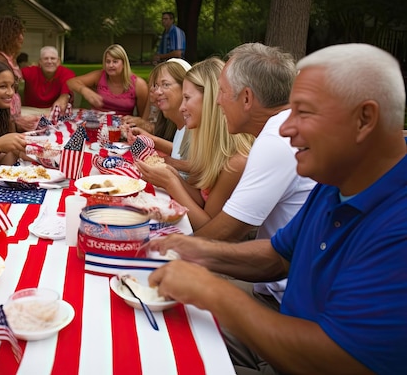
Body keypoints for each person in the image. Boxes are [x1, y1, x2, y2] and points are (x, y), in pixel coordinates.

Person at [148, 43, 407, 375]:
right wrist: (194, 250)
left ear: (364, 119)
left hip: (299, 355)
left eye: (303, 112)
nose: (285, 128)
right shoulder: (336, 179)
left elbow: (333, 360)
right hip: (279, 320)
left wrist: (214, 293)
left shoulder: (397, 225)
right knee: (159, 325)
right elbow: (277, 256)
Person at [148, 43, 316, 306]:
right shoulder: (278, 130)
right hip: (273, 282)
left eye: (223, 92)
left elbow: (225, 232)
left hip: (282, 298)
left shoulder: (276, 139)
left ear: (246, 98)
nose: (217, 101)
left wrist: (162, 251)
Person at [136, 58, 254, 230]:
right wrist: (171, 174)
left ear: (210, 100)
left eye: (187, 98)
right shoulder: (211, 147)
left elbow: (207, 227)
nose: (182, 107)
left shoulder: (235, 162)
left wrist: (171, 183)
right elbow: (200, 198)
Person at [127, 59, 191, 171]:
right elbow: (179, 151)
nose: (156, 92)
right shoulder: (180, 126)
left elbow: (201, 169)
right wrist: (150, 138)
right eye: (156, 86)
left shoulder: (194, 126)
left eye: (166, 85)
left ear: (185, 87)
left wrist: (168, 162)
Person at [0, 15, 38, 131]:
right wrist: (11, 125)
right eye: (18, 33)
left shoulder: (8, 58)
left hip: (11, 116)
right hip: (4, 117)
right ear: (7, 36)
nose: (22, 37)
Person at [67, 44, 149, 117]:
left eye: (115, 62)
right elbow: (71, 82)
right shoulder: (99, 76)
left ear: (124, 64)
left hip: (122, 127)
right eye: (108, 61)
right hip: (96, 123)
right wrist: (85, 91)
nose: (110, 65)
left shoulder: (139, 84)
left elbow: (143, 118)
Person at [21, 46, 75, 111]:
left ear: (58, 61)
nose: (49, 61)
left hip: (54, 111)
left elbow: (65, 95)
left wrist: (63, 99)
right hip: (30, 111)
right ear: (40, 62)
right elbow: (13, 76)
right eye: (46, 58)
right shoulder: (30, 71)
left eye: (53, 58)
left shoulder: (67, 73)